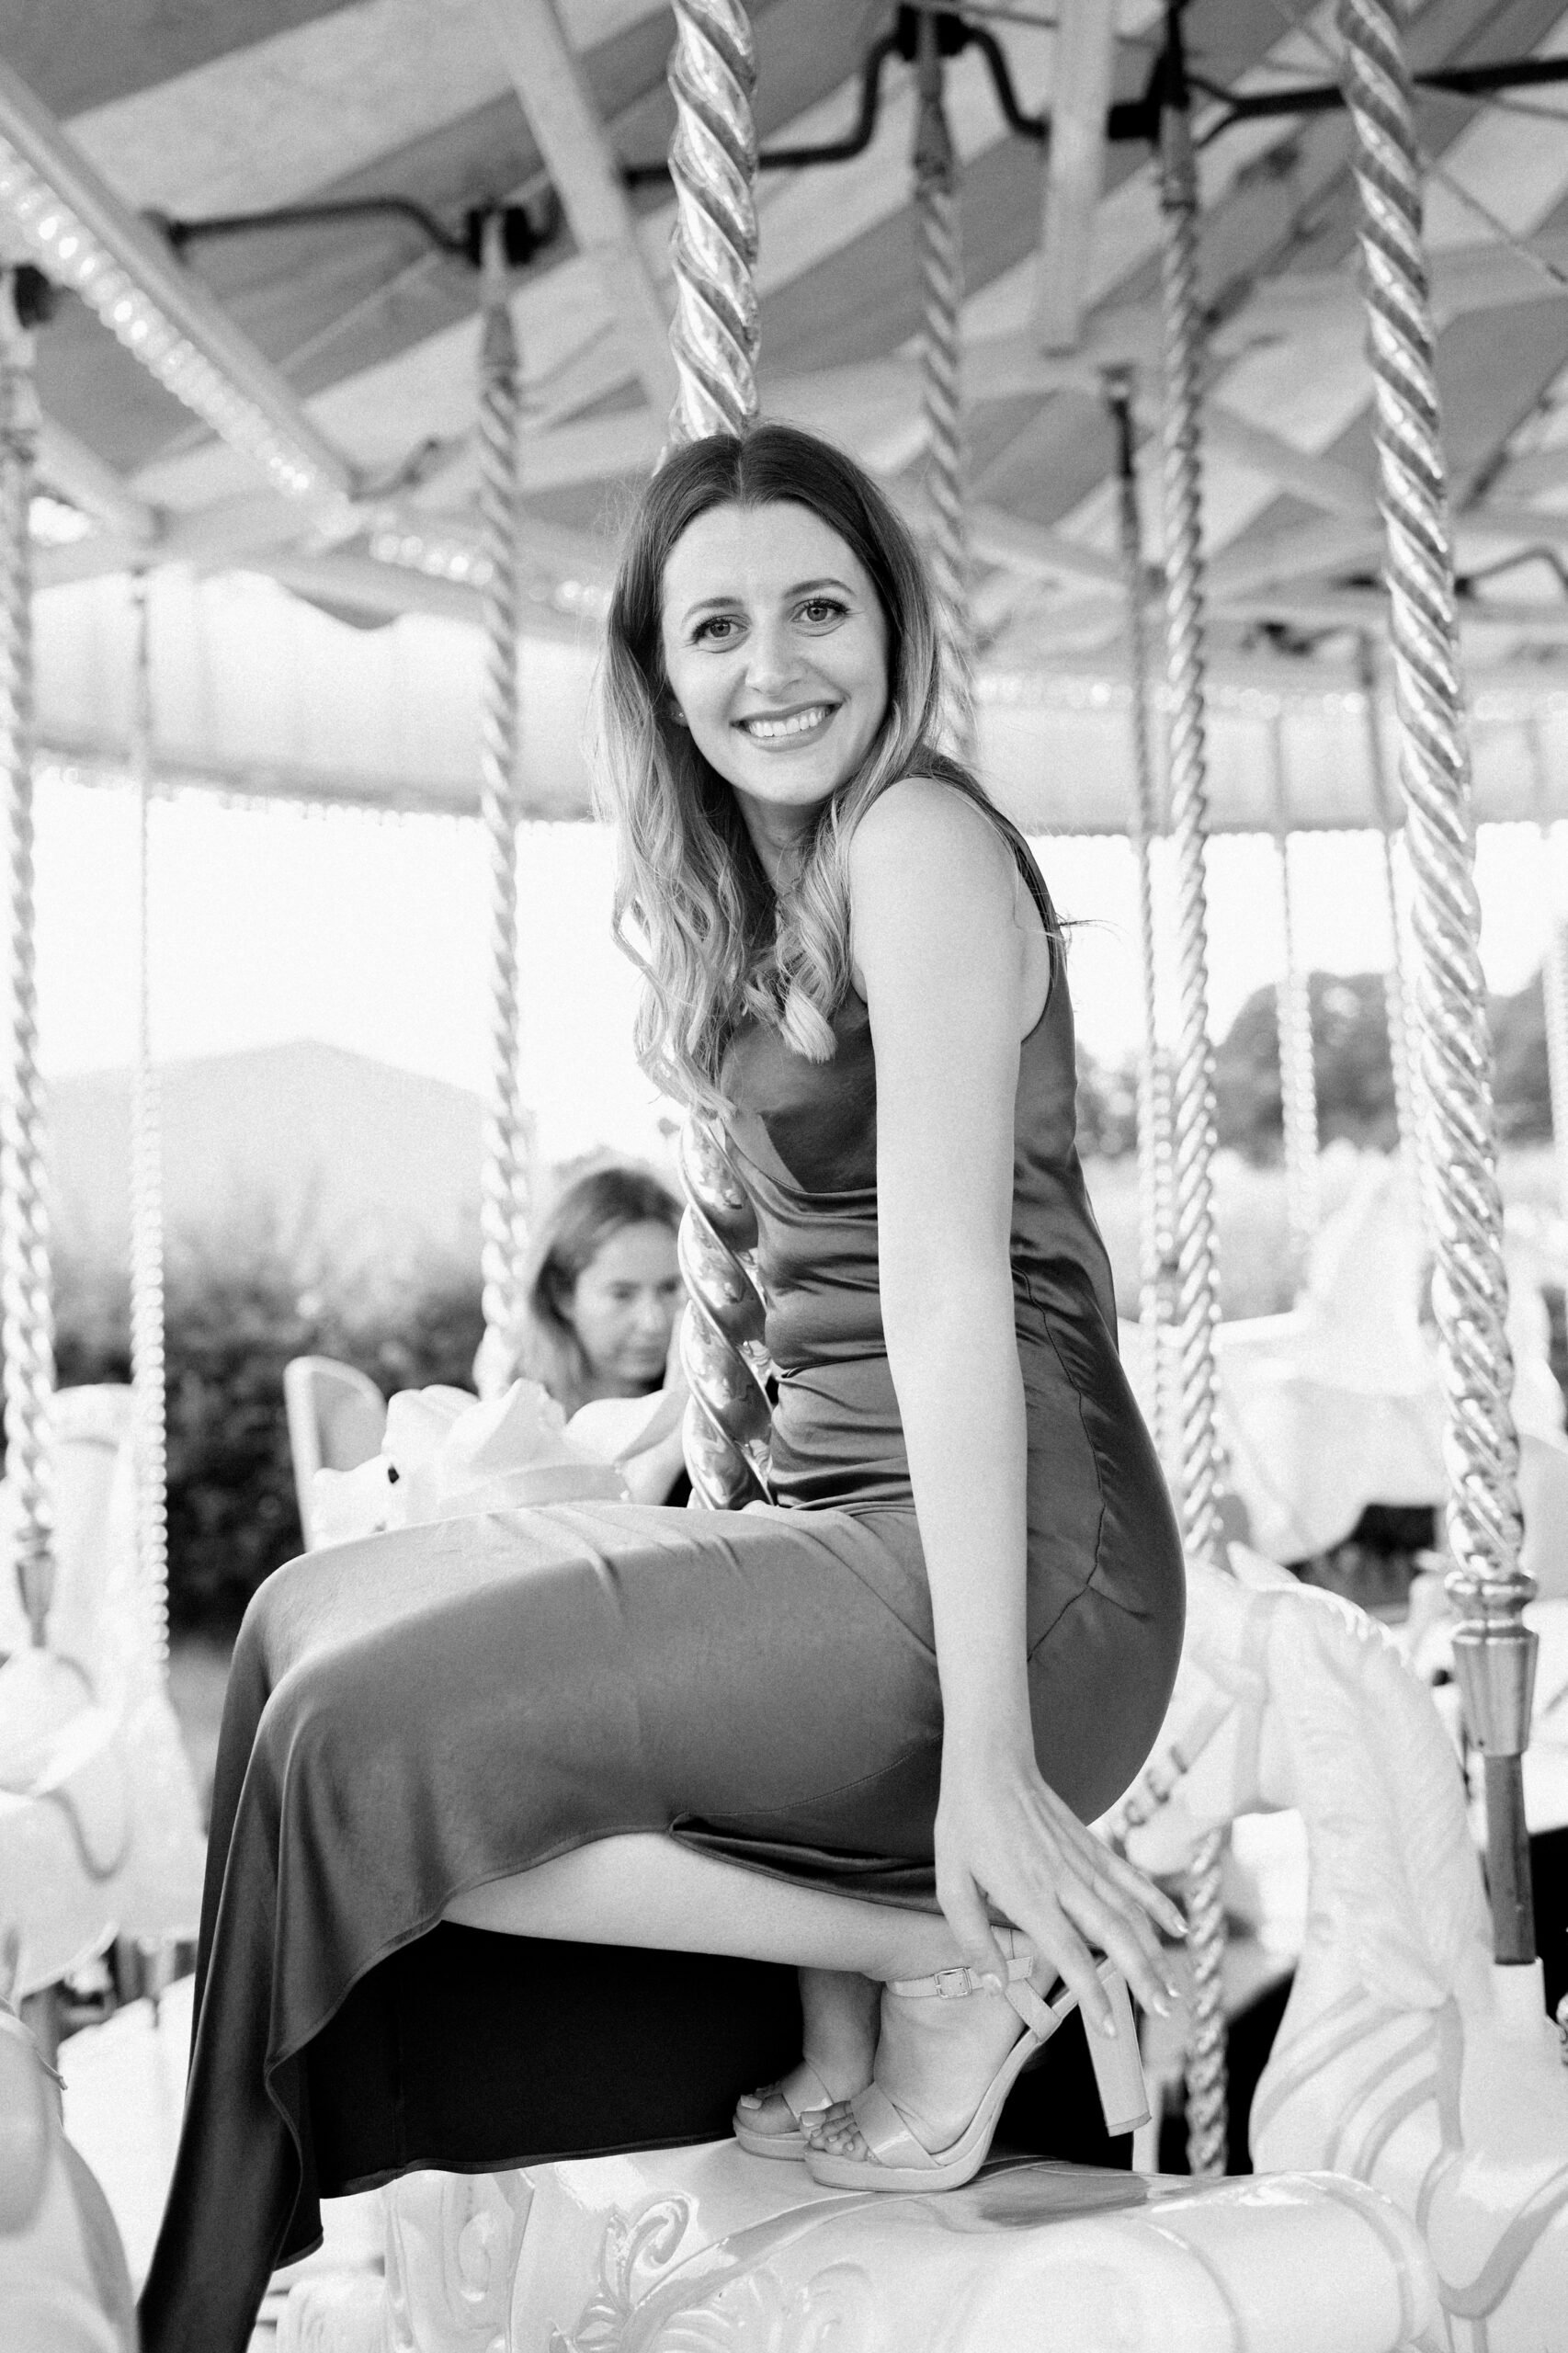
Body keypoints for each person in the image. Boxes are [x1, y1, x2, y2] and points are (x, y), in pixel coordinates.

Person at [140, 424, 1186, 2353]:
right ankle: (882, 1953)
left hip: (1009, 1561)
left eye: (817, 607)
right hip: (841, 1519)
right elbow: (762, 1295)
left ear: (892, 626)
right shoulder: (759, 885)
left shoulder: (916, 841)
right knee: (294, 1625)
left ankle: (949, 1928)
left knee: (366, 1748)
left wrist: (990, 1752)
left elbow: (944, 1292)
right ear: (656, 671)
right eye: (716, 625)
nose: (772, 663)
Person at [504, 1159, 691, 1504]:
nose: (654, 1322)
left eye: (669, 1289)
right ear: (563, 1295)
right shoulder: (524, 1426)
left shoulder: (708, 1425)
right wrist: (665, 1452)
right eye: (622, 1294)